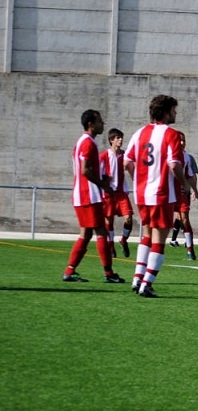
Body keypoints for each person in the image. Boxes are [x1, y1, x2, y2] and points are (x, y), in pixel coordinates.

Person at [124, 95, 186, 297]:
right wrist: (185, 184)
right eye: (174, 110)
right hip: (161, 194)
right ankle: (147, 283)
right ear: (166, 112)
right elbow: (174, 164)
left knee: (147, 235)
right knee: (160, 238)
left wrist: (138, 179)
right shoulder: (171, 134)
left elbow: (127, 162)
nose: (176, 114)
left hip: (141, 194)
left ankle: (137, 278)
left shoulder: (140, 132)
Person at [63, 109, 121, 283]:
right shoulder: (88, 143)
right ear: (91, 124)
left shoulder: (81, 142)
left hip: (81, 195)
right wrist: (103, 184)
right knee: (102, 231)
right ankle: (109, 273)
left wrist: (101, 177)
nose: (102, 123)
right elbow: (85, 170)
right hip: (88, 195)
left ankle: (70, 271)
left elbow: (85, 170)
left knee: (86, 234)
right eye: (100, 121)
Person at [99, 128, 135, 259]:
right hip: (108, 193)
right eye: (117, 138)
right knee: (109, 221)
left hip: (121, 193)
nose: (120, 140)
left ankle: (123, 240)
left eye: (121, 137)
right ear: (111, 140)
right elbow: (97, 172)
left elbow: (132, 169)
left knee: (129, 218)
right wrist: (104, 180)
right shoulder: (104, 155)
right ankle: (111, 246)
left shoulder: (125, 155)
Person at [169, 133, 198, 260]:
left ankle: (190, 250)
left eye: (184, 140)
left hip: (182, 193)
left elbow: (191, 176)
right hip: (167, 193)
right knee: (162, 222)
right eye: (179, 141)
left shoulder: (187, 157)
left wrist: (196, 191)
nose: (182, 143)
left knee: (184, 219)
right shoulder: (168, 154)